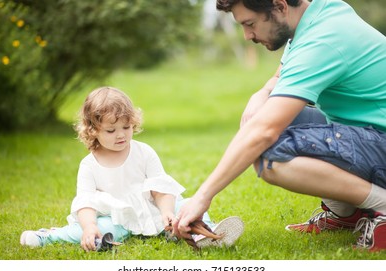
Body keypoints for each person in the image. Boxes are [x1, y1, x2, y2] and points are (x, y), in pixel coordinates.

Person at [173, 0, 386, 251]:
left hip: (378, 140)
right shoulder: (318, 14)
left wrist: (202, 197)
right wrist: (261, 94)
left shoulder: (322, 41)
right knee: (264, 122)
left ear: (280, 6)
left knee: (269, 158)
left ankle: (382, 205)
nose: (247, 35)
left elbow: (263, 132)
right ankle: (345, 213)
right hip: (370, 134)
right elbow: (280, 75)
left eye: (250, 24)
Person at [20, 87, 244, 251]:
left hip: (152, 208)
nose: (121, 135)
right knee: (99, 229)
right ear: (92, 131)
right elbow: (85, 203)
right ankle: (47, 237)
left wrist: (167, 211)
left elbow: (160, 188)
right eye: (111, 130)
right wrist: (89, 227)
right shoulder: (89, 165)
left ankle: (207, 232)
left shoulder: (143, 152)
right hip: (117, 216)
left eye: (126, 127)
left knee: (187, 205)